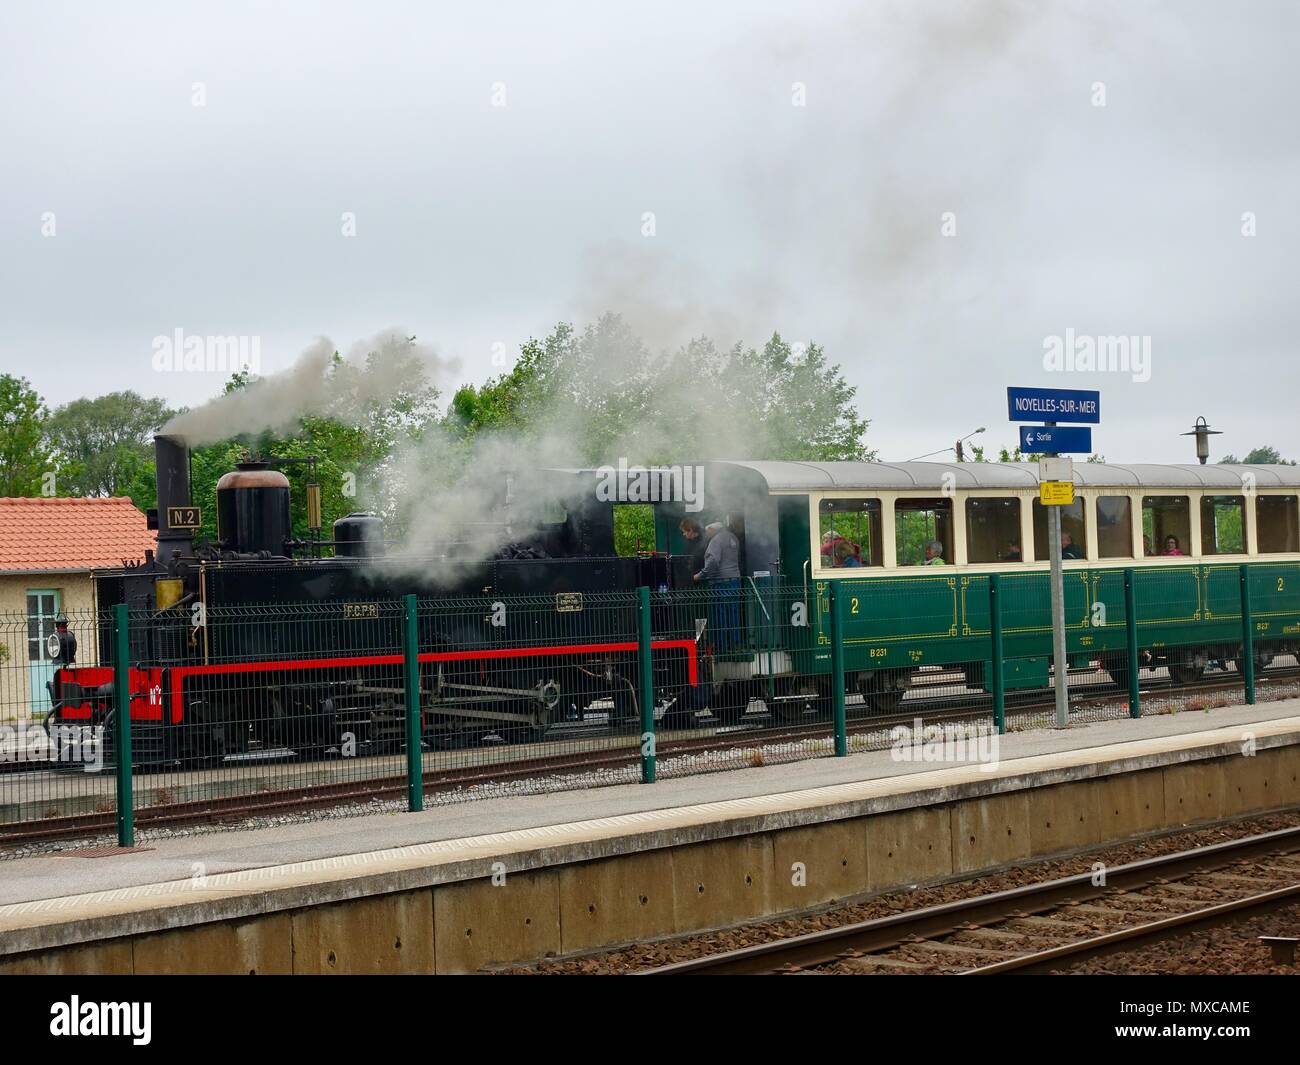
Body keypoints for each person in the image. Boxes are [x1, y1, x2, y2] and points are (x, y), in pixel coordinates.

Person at [695, 520, 742, 650]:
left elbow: (713, 562)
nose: (706, 534)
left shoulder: (716, 541)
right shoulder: (733, 538)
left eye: (707, 531)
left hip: (721, 582)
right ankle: (734, 643)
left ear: (712, 529)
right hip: (734, 580)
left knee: (720, 613)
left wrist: (699, 576)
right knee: (733, 612)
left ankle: (721, 645)